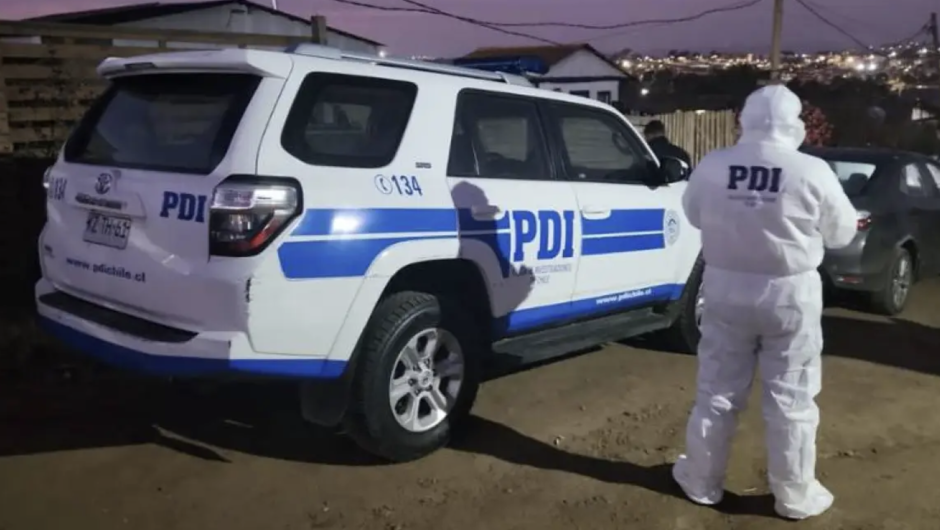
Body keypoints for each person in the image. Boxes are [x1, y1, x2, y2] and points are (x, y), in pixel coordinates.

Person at [672, 85, 858, 520]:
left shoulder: (714, 165)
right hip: (789, 295)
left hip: (724, 290)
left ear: (746, 119)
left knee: (717, 390)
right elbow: (841, 233)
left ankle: (701, 480)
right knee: (792, 398)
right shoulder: (811, 171)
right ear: (794, 123)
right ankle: (794, 496)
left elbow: (694, 214)